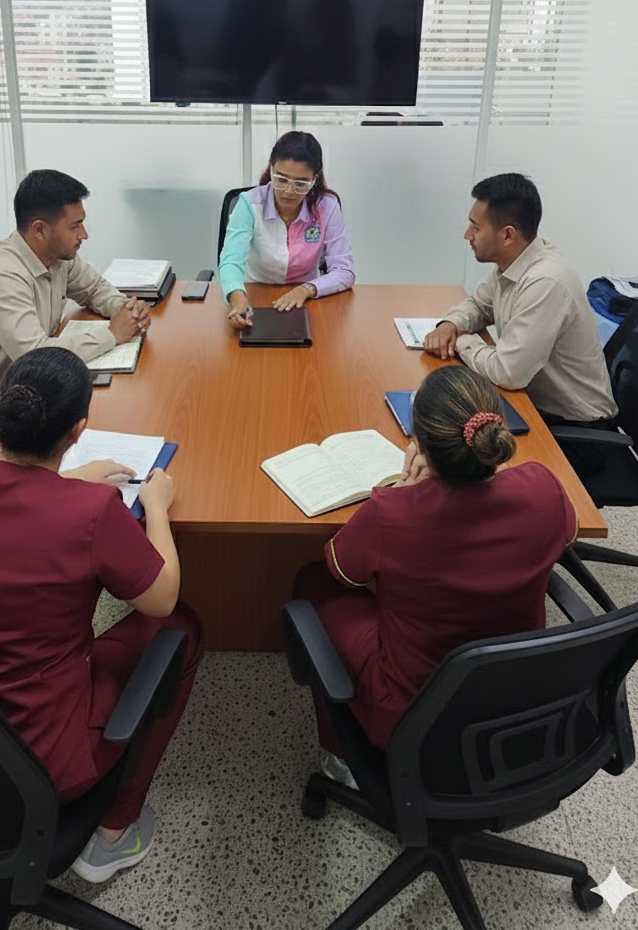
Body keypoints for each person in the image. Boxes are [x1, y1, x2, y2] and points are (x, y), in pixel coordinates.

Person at [0, 346, 203, 883]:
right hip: (35, 763)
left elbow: (0, 505)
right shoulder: (89, 513)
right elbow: (160, 598)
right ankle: (114, 835)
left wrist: (63, 482)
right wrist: (156, 506)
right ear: (78, 430)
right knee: (181, 629)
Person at [294, 366, 577, 785]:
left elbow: (342, 571)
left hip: (411, 713)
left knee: (312, 582)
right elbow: (565, 535)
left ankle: (341, 759)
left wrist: (402, 495)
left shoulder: (393, 513)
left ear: (420, 446)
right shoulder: (542, 487)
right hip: (518, 698)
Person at [0, 168, 152, 457]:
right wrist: (113, 334)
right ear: (40, 229)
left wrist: (125, 309)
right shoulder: (2, 276)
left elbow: (93, 288)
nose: (84, 235)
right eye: (75, 226)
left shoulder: (56, 255)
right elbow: (36, 354)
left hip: (31, 390)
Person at [423, 172, 616, 477]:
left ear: (508, 235)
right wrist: (450, 324)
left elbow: (508, 372)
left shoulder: (545, 281)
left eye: (475, 226)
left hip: (573, 430)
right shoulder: (513, 262)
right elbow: (477, 304)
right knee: (441, 422)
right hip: (531, 405)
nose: (467, 235)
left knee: (455, 462)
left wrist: (460, 340)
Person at [219, 131, 355, 330]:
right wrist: (238, 299)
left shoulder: (327, 206)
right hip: (255, 296)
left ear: (314, 179)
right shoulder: (249, 204)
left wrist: (307, 289)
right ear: (271, 170)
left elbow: (344, 270)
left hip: (307, 301)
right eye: (281, 179)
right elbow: (231, 261)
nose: (289, 191)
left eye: (300, 183)